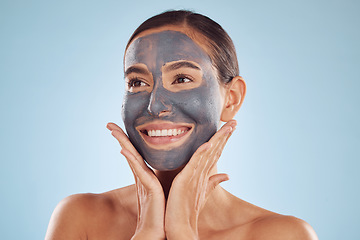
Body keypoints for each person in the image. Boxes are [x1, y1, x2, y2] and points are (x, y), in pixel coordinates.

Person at [45, 10, 318, 240]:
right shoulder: (80, 219)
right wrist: (146, 232)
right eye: (137, 83)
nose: (154, 105)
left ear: (231, 99)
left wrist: (183, 231)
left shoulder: (282, 235)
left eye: (183, 79)